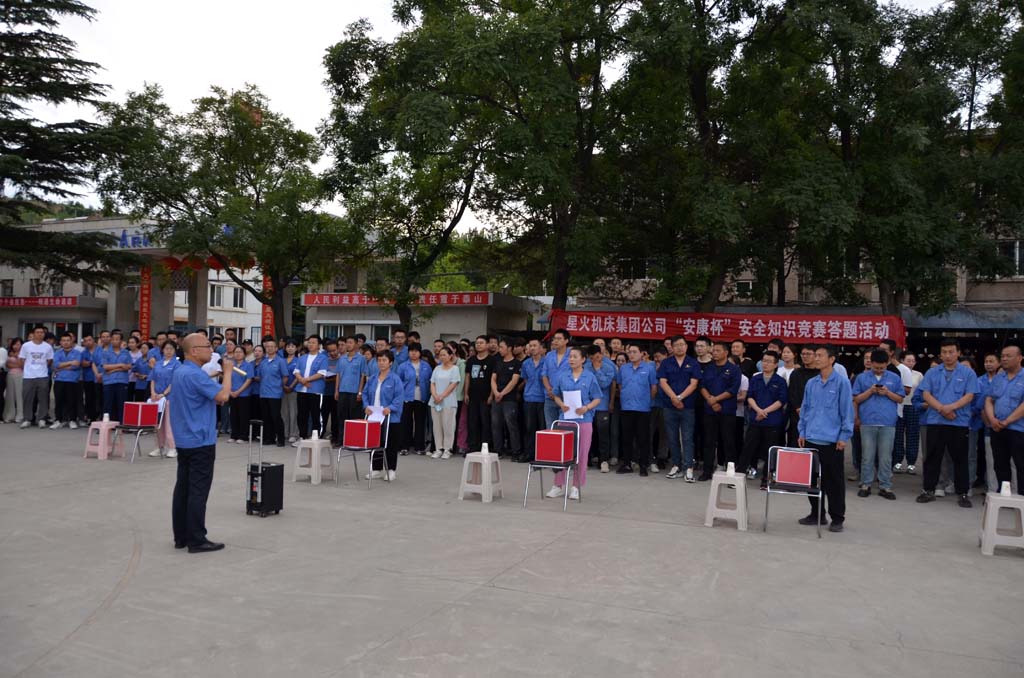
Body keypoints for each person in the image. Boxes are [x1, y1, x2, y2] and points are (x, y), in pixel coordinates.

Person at [170, 333, 233, 553]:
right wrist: (228, 372)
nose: (211, 350)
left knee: (183, 488)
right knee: (198, 491)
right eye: (207, 346)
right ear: (194, 351)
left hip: (184, 439)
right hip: (200, 440)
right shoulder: (196, 375)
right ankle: (196, 539)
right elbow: (223, 397)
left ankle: (181, 536)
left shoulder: (180, 371)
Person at [797, 345, 855, 532]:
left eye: (820, 355)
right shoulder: (811, 383)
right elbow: (805, 409)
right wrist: (802, 431)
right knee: (812, 480)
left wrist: (844, 436)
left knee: (834, 482)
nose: (816, 358)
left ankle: (837, 518)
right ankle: (817, 513)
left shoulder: (841, 383)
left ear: (832, 359)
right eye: (815, 355)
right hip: (811, 438)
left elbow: (847, 411)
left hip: (832, 441)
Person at [915, 338, 979, 508]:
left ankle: (963, 493)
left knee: (960, 459)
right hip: (936, 421)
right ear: (940, 354)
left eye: (951, 352)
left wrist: (951, 407)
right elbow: (926, 394)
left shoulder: (968, 373)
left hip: (958, 422)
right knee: (932, 457)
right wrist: (942, 409)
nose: (948, 355)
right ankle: (928, 490)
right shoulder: (932, 372)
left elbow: (970, 395)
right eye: (944, 352)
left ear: (958, 353)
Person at [547, 346, 603, 500]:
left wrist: (587, 407)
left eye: (575, 356)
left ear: (583, 359)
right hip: (565, 419)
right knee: (562, 453)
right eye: (570, 356)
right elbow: (556, 394)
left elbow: (597, 398)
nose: (571, 359)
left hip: (584, 420)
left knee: (582, 453)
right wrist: (561, 404)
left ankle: (576, 486)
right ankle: (558, 485)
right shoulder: (562, 376)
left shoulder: (590, 377)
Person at [851, 350, 904, 500]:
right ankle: (865, 484)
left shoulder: (894, 378)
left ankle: (885, 486)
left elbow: (900, 399)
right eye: (876, 367)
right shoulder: (861, 378)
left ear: (887, 363)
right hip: (867, 421)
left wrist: (887, 393)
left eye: (882, 367)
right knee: (867, 455)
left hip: (888, 422)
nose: (879, 370)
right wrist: (870, 391)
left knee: (886, 456)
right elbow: (856, 399)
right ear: (871, 363)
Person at [740, 350, 788, 486]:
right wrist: (758, 410)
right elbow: (750, 397)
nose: (765, 364)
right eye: (764, 361)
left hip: (772, 421)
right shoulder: (755, 378)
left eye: (769, 361)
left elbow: (781, 401)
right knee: (748, 448)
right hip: (755, 419)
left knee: (769, 451)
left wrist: (764, 412)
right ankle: (739, 475)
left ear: (776, 364)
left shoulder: (780, 381)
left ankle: (766, 479)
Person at [658, 336, 701, 482]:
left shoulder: (693, 363)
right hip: (669, 406)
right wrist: (674, 398)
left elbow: (694, 384)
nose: (679, 347)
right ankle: (676, 465)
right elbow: (663, 382)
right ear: (672, 347)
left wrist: (680, 398)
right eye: (676, 345)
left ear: (687, 346)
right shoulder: (666, 363)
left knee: (687, 438)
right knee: (672, 437)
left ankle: (688, 467)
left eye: (682, 344)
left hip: (687, 406)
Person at [698, 341, 741, 480]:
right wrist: (710, 400)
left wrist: (715, 399)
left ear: (726, 352)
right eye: (714, 350)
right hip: (710, 411)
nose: (714, 353)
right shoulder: (708, 368)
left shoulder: (734, 369)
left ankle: (730, 474)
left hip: (727, 411)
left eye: (718, 350)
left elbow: (733, 389)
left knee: (728, 442)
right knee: (708, 442)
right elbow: (702, 386)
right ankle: (707, 471)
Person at [985, 343, 1024, 494]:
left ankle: (1021, 498)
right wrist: (992, 419)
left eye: (1008, 356)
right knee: (1000, 465)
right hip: (997, 428)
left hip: (1018, 429)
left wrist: (1007, 421)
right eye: (1002, 356)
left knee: (1021, 465)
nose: (1004, 359)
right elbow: (989, 399)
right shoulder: (998, 378)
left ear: (1020, 358)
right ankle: (1004, 495)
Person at [615, 343, 657, 476]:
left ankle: (643, 464)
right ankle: (627, 464)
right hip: (626, 407)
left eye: (634, 352)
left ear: (642, 353)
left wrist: (647, 400)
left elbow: (653, 388)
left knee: (643, 438)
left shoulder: (649, 368)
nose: (631, 354)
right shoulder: (623, 368)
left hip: (643, 408)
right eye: (630, 352)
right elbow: (620, 385)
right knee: (626, 437)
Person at [362, 350, 404, 480]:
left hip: (390, 417)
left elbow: (399, 397)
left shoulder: (395, 379)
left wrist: (390, 408)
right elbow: (365, 393)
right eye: (379, 360)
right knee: (374, 443)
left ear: (390, 362)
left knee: (390, 444)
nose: (381, 363)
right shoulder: (373, 378)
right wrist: (366, 406)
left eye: (384, 360)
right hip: (374, 416)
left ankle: (391, 470)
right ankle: (376, 469)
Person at [489, 338, 522, 460]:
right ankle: (498, 450)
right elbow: (493, 379)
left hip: (509, 399)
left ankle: (515, 451)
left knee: (511, 425)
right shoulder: (498, 362)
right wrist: (496, 392)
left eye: (501, 347)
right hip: (497, 398)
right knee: (496, 424)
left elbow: (514, 381)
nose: (499, 349)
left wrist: (502, 393)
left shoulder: (517, 363)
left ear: (509, 348)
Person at [586, 344, 617, 473]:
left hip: (602, 405)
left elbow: (605, 384)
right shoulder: (586, 366)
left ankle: (603, 460)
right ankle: (587, 459)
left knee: (603, 434)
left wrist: (598, 369)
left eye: (596, 356)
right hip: (587, 406)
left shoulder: (609, 366)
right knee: (588, 434)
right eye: (591, 357)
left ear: (601, 354)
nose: (594, 359)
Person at [291, 335, 327, 445]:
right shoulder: (302, 357)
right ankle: (302, 437)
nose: (311, 345)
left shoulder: (323, 358)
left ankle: (316, 437)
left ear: (319, 345)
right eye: (309, 342)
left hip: (315, 390)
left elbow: (321, 373)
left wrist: (306, 379)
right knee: (302, 414)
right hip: (302, 390)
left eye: (313, 343)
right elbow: (296, 371)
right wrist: (302, 380)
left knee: (316, 414)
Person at [464, 335, 497, 453]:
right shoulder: (471, 360)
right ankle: (473, 447)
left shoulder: (492, 360)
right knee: (472, 422)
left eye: (481, 343)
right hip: (473, 396)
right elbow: (468, 377)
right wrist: (466, 393)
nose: (478, 345)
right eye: (477, 343)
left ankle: (485, 447)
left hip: (486, 396)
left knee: (485, 422)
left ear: (487, 345)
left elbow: (494, 379)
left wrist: (491, 395)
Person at [398, 342, 432, 455]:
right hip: (406, 397)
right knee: (406, 422)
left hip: (422, 397)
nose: (413, 353)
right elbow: (398, 382)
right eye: (411, 351)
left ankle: (419, 447)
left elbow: (430, 381)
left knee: (420, 422)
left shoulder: (426, 366)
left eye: (416, 351)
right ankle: (404, 446)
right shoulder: (403, 366)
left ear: (420, 353)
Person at [893, 351, 923, 474]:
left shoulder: (919, 375)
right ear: (902, 361)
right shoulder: (896, 372)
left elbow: (922, 392)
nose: (911, 363)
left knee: (913, 435)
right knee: (898, 435)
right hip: (899, 405)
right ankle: (897, 462)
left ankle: (911, 463)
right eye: (908, 360)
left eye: (913, 361)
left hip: (913, 407)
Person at [148, 340, 180, 457]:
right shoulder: (158, 364)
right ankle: (159, 446)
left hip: (170, 398)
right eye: (166, 348)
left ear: (175, 350)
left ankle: (172, 447)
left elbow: (174, 381)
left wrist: (164, 393)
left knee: (169, 424)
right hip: (156, 398)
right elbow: (153, 379)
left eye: (171, 349)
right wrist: (153, 392)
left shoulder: (177, 364)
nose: (168, 351)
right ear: (162, 350)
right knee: (157, 424)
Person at [17, 325, 53, 429]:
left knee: (43, 398)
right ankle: (27, 419)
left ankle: (41, 419)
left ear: (44, 334)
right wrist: (27, 369)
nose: (40, 334)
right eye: (37, 332)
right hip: (28, 376)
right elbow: (21, 359)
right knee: (27, 398)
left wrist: (42, 368)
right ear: (33, 334)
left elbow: (49, 361)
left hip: (43, 376)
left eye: (42, 332)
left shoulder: (48, 346)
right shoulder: (26, 346)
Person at [429, 347, 461, 459]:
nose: (442, 357)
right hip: (435, 401)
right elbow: (432, 383)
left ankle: (447, 449)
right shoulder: (437, 368)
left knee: (448, 426)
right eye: (440, 355)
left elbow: (453, 384)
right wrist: (435, 395)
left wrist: (442, 396)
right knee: (437, 426)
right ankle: (438, 448)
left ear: (450, 355)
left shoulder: (455, 369)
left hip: (448, 401)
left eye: (444, 355)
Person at [976, 351, 1001, 492]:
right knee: (984, 455)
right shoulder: (979, 380)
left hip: (1000, 423)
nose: (988, 364)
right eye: (986, 361)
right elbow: (979, 404)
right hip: (981, 423)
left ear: (998, 363)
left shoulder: (1003, 379)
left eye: (991, 361)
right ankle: (988, 485)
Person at [257, 337, 286, 447]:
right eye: (267, 347)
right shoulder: (263, 362)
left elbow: (285, 377)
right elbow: (260, 376)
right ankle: (269, 438)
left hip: (275, 393)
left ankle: (281, 439)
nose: (269, 348)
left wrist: (279, 386)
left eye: (271, 347)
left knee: (276, 416)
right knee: (266, 417)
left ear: (276, 348)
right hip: (263, 393)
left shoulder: (280, 361)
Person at [50, 332, 82, 429]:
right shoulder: (57, 353)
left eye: (68, 340)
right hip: (59, 379)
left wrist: (62, 366)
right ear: (60, 342)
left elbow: (76, 366)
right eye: (63, 340)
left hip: (72, 380)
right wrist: (70, 362)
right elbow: (56, 365)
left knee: (71, 401)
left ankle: (72, 420)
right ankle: (58, 420)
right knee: (59, 400)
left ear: (72, 341)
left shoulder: (77, 353)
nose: (66, 342)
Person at [541, 329, 572, 428]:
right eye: (554, 339)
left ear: (566, 340)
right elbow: (544, 374)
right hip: (550, 397)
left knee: (565, 428)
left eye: (559, 339)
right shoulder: (549, 355)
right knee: (550, 427)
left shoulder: (572, 355)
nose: (556, 341)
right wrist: (549, 389)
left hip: (566, 397)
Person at [226, 346, 254, 443]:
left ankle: (243, 436)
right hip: (232, 393)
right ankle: (234, 435)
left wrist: (238, 391)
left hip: (244, 394)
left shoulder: (248, 365)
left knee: (243, 416)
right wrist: (230, 391)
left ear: (244, 354)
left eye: (240, 352)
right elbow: (227, 378)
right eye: (236, 352)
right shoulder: (231, 365)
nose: (238, 354)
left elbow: (249, 379)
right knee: (233, 415)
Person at [336, 336, 364, 427]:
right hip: (342, 391)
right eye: (347, 342)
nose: (348, 345)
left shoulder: (361, 359)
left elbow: (363, 376)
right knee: (341, 416)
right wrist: (336, 390)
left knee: (354, 416)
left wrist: (360, 392)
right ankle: (341, 436)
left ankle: (353, 436)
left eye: (351, 342)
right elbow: (338, 375)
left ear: (356, 344)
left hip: (354, 392)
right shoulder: (342, 358)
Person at [320, 339, 341, 444]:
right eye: (330, 351)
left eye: (334, 350)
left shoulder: (342, 360)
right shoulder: (325, 360)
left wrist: (334, 378)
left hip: (336, 393)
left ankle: (335, 436)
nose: (332, 353)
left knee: (335, 416)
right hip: (325, 392)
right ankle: (321, 433)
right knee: (323, 414)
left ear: (338, 348)